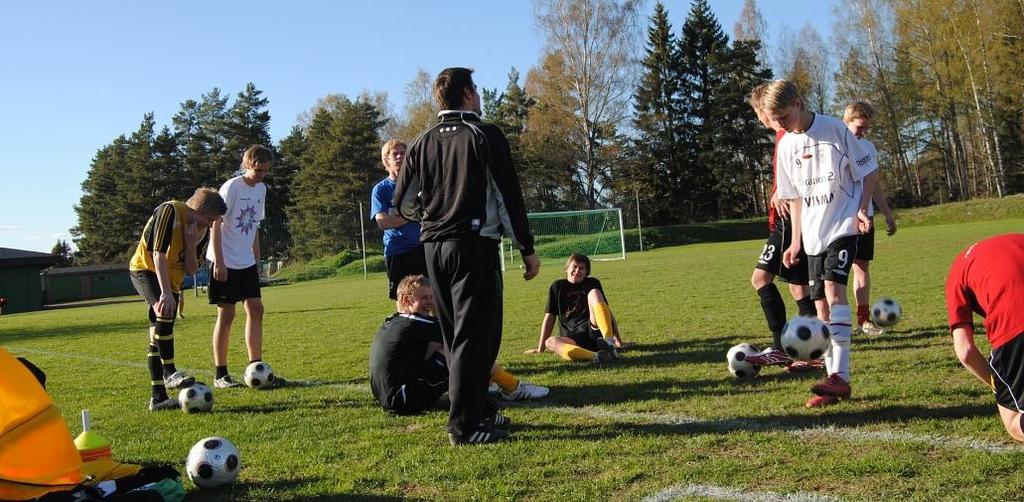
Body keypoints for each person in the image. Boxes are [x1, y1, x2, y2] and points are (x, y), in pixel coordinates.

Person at [393, 67, 541, 445]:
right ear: (469, 95)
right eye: (476, 90)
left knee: (456, 334)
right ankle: (464, 426)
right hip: (473, 246)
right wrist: (527, 248)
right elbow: (508, 195)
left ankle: (481, 410)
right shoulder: (484, 133)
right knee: (478, 337)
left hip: (432, 248)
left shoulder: (421, 140)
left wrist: (433, 210)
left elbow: (404, 203)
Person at [765, 79, 879, 408]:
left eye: (784, 117)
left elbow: (868, 170)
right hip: (812, 235)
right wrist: (795, 242)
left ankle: (840, 377)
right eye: (777, 122)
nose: (782, 125)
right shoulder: (787, 144)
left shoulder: (834, 130)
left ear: (799, 103)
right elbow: (796, 198)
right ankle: (833, 380)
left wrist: (861, 208)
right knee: (821, 308)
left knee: (833, 289)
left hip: (842, 223)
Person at [370, 275, 548, 416]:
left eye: (432, 296)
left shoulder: (394, 321)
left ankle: (487, 382)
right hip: (404, 399)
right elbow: (461, 334)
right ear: (407, 301)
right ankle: (511, 387)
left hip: (392, 396)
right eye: (424, 298)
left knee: (446, 344)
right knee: (464, 347)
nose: (430, 302)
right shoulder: (414, 323)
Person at [742, 83, 819, 371]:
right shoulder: (783, 135)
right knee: (799, 288)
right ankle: (809, 350)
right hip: (786, 219)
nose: (761, 118)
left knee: (761, 279)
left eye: (759, 113)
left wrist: (783, 194)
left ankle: (781, 347)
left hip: (790, 221)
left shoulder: (788, 133)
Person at [129, 188, 226, 411]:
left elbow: (191, 270)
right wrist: (164, 293)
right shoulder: (170, 211)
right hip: (145, 270)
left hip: (170, 281)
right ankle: (169, 371)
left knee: (156, 335)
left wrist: (191, 243)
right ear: (198, 210)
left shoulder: (202, 232)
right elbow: (157, 253)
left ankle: (158, 398)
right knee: (164, 312)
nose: (212, 225)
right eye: (210, 219)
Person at [207, 145, 284, 389]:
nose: (261, 175)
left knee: (256, 309)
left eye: (266, 171)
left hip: (246, 261)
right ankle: (221, 374)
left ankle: (256, 367)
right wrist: (218, 260)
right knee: (227, 314)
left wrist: (257, 259)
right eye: (258, 170)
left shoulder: (261, 189)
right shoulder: (231, 187)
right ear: (247, 164)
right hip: (225, 260)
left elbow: (255, 226)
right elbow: (215, 225)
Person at [946, 234, 1024, 442]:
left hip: (1014, 323)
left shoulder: (957, 275)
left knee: (1014, 421)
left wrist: (996, 384)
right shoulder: (1017, 239)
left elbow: (965, 351)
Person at [842, 102, 897, 336]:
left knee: (861, 267)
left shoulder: (868, 147)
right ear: (846, 121)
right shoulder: (836, 146)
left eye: (866, 128)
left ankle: (863, 321)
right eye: (859, 126)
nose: (863, 132)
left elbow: (873, 183)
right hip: (841, 219)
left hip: (866, 219)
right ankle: (838, 324)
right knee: (837, 272)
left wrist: (887, 212)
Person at [527, 253, 629, 362]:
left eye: (582, 268)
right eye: (574, 266)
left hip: (594, 332)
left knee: (594, 293)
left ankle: (609, 343)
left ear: (587, 272)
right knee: (550, 342)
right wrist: (540, 349)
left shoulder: (592, 283)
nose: (577, 271)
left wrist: (618, 341)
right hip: (571, 339)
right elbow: (549, 317)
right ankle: (596, 357)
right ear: (566, 268)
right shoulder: (557, 286)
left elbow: (606, 312)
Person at [370, 139, 428, 306]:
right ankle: (404, 329)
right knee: (402, 299)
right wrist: (411, 215)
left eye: (403, 153)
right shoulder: (381, 190)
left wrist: (399, 218)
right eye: (395, 154)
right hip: (397, 252)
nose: (400, 156)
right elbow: (383, 223)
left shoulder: (419, 184)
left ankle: (436, 330)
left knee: (431, 294)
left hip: (423, 248)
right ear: (386, 160)